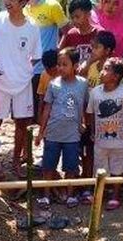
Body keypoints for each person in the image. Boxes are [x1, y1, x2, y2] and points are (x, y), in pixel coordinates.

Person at [0, 0, 41, 178]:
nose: (7, 2)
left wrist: (22, 70)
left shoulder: (33, 27)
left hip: (23, 82)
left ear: (24, 2)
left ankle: (16, 161)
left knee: (22, 123)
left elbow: (36, 56)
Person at [35, 47, 88, 207]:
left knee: (71, 166)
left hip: (72, 134)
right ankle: (46, 195)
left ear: (75, 65)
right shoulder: (53, 84)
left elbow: (85, 106)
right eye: (59, 64)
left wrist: (85, 123)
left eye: (65, 64)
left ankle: (71, 195)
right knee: (48, 166)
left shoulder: (83, 84)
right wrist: (41, 132)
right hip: (52, 133)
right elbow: (47, 109)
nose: (60, 68)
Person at [86, 57, 123, 210]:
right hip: (100, 140)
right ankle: (99, 194)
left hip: (120, 140)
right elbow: (92, 113)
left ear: (116, 76)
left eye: (106, 69)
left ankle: (115, 196)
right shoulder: (95, 92)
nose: (101, 72)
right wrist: (92, 131)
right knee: (100, 167)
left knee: (118, 167)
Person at [24, 0, 66, 119]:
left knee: (49, 108)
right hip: (27, 69)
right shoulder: (24, 9)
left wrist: (57, 51)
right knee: (29, 114)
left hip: (47, 69)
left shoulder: (52, 6)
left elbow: (67, 32)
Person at [59, 0, 98, 65]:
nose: (74, 20)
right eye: (72, 17)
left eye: (77, 17)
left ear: (88, 14)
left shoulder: (99, 34)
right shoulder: (71, 34)